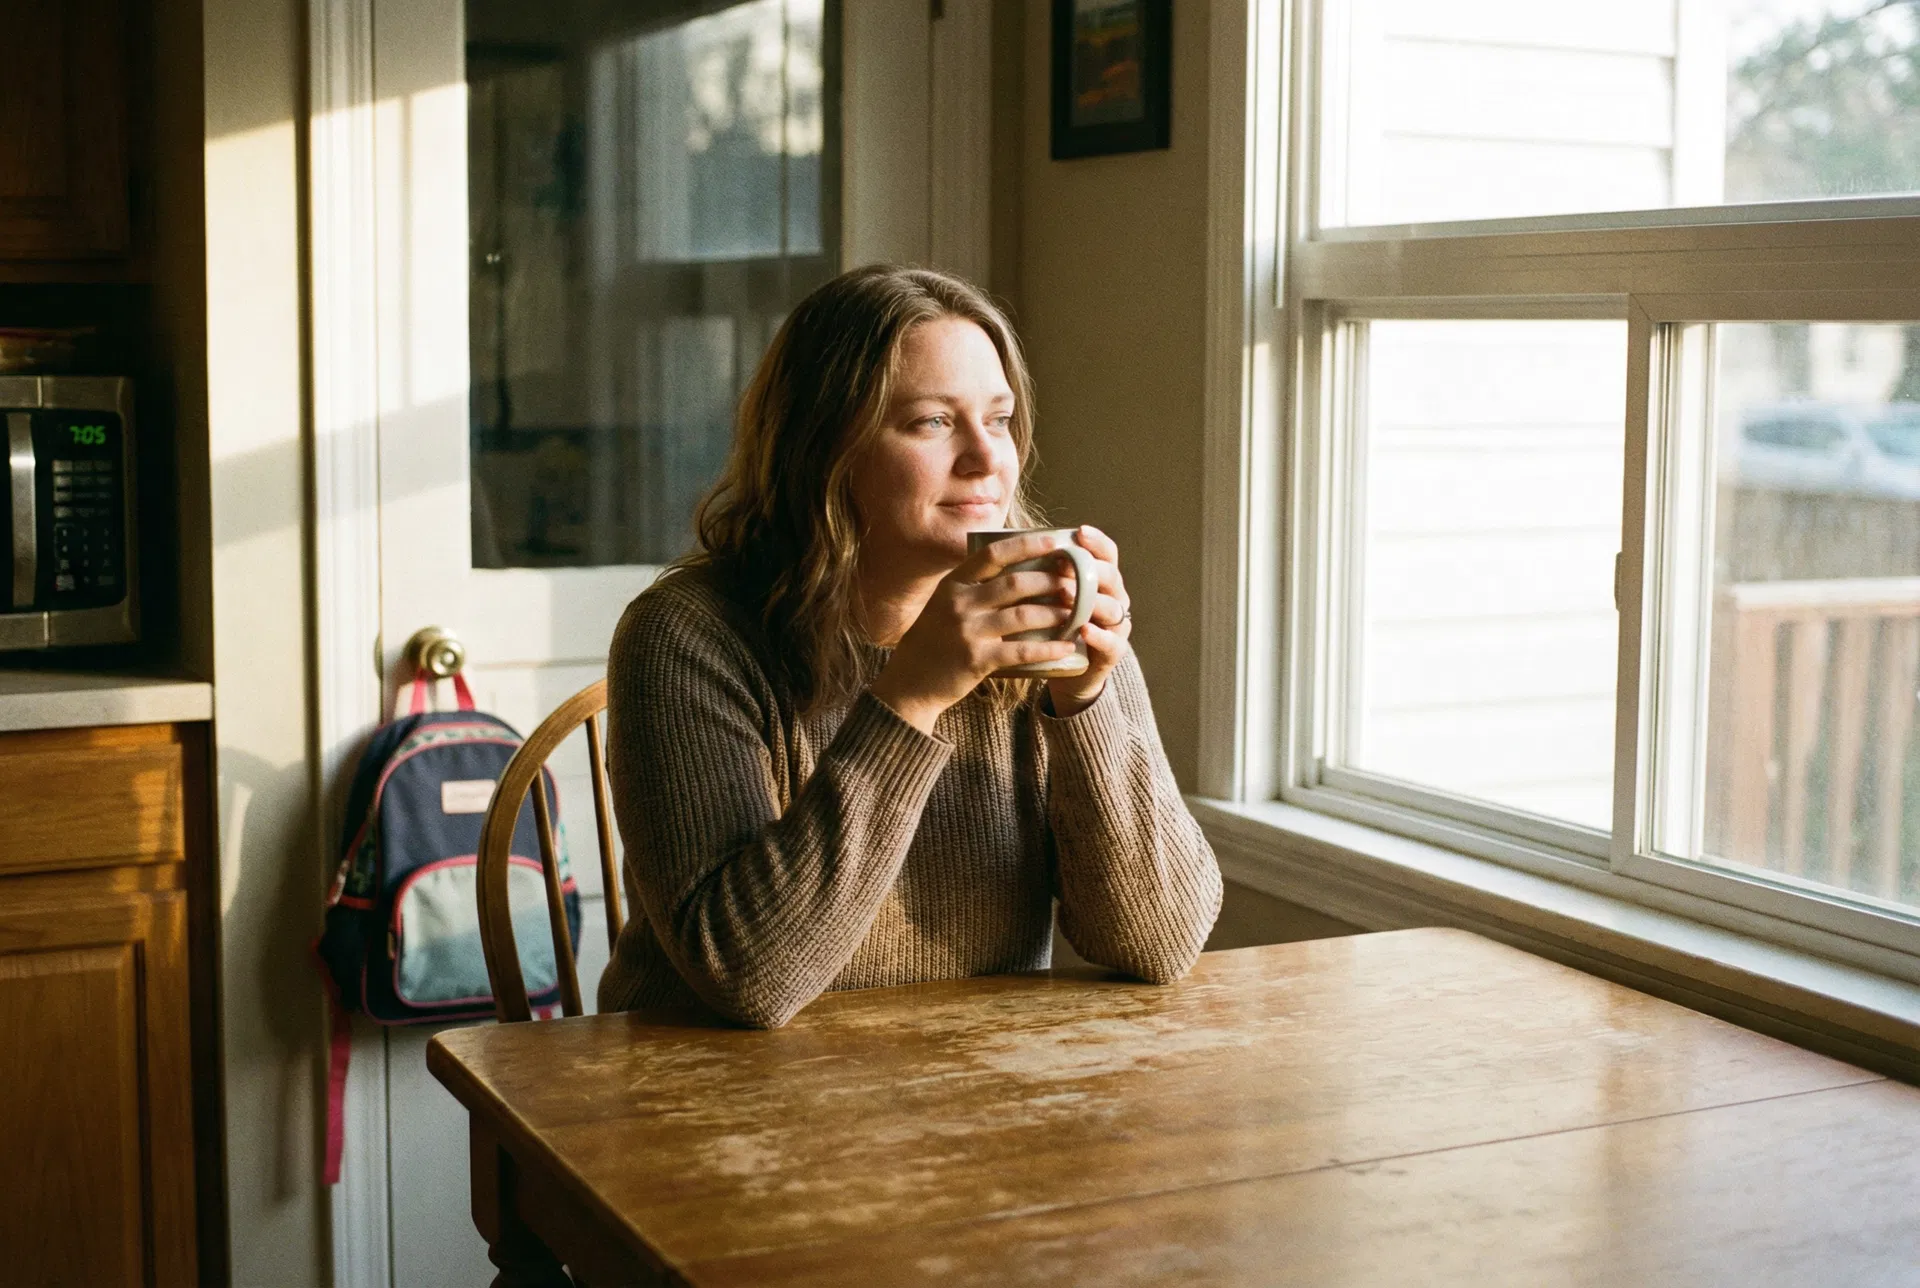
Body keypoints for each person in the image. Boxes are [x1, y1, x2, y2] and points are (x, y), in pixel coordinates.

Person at [596, 264, 1222, 1026]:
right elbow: (750, 980)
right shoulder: (688, 635)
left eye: (999, 419)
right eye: (932, 422)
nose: (987, 459)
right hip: (700, 1100)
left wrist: (1086, 698)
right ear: (825, 446)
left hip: (967, 1088)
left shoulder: (1041, 604)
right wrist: (912, 696)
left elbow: (1159, 943)